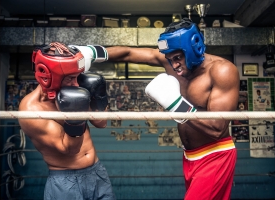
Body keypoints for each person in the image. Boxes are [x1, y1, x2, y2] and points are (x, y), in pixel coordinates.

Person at [105, 18, 239, 200]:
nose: (173, 65)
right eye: (169, 59)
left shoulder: (221, 71)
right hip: (190, 156)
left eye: (177, 58)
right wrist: (87, 53)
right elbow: (127, 53)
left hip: (215, 156)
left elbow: (217, 128)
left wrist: (177, 105)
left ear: (194, 48)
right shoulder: (172, 62)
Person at [18, 42, 116, 200]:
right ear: (49, 77)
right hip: (65, 181)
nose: (77, 84)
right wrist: (76, 113)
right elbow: (70, 149)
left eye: (77, 76)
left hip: (96, 171)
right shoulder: (31, 110)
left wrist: (99, 97)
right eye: (70, 78)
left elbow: (101, 123)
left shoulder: (75, 89)